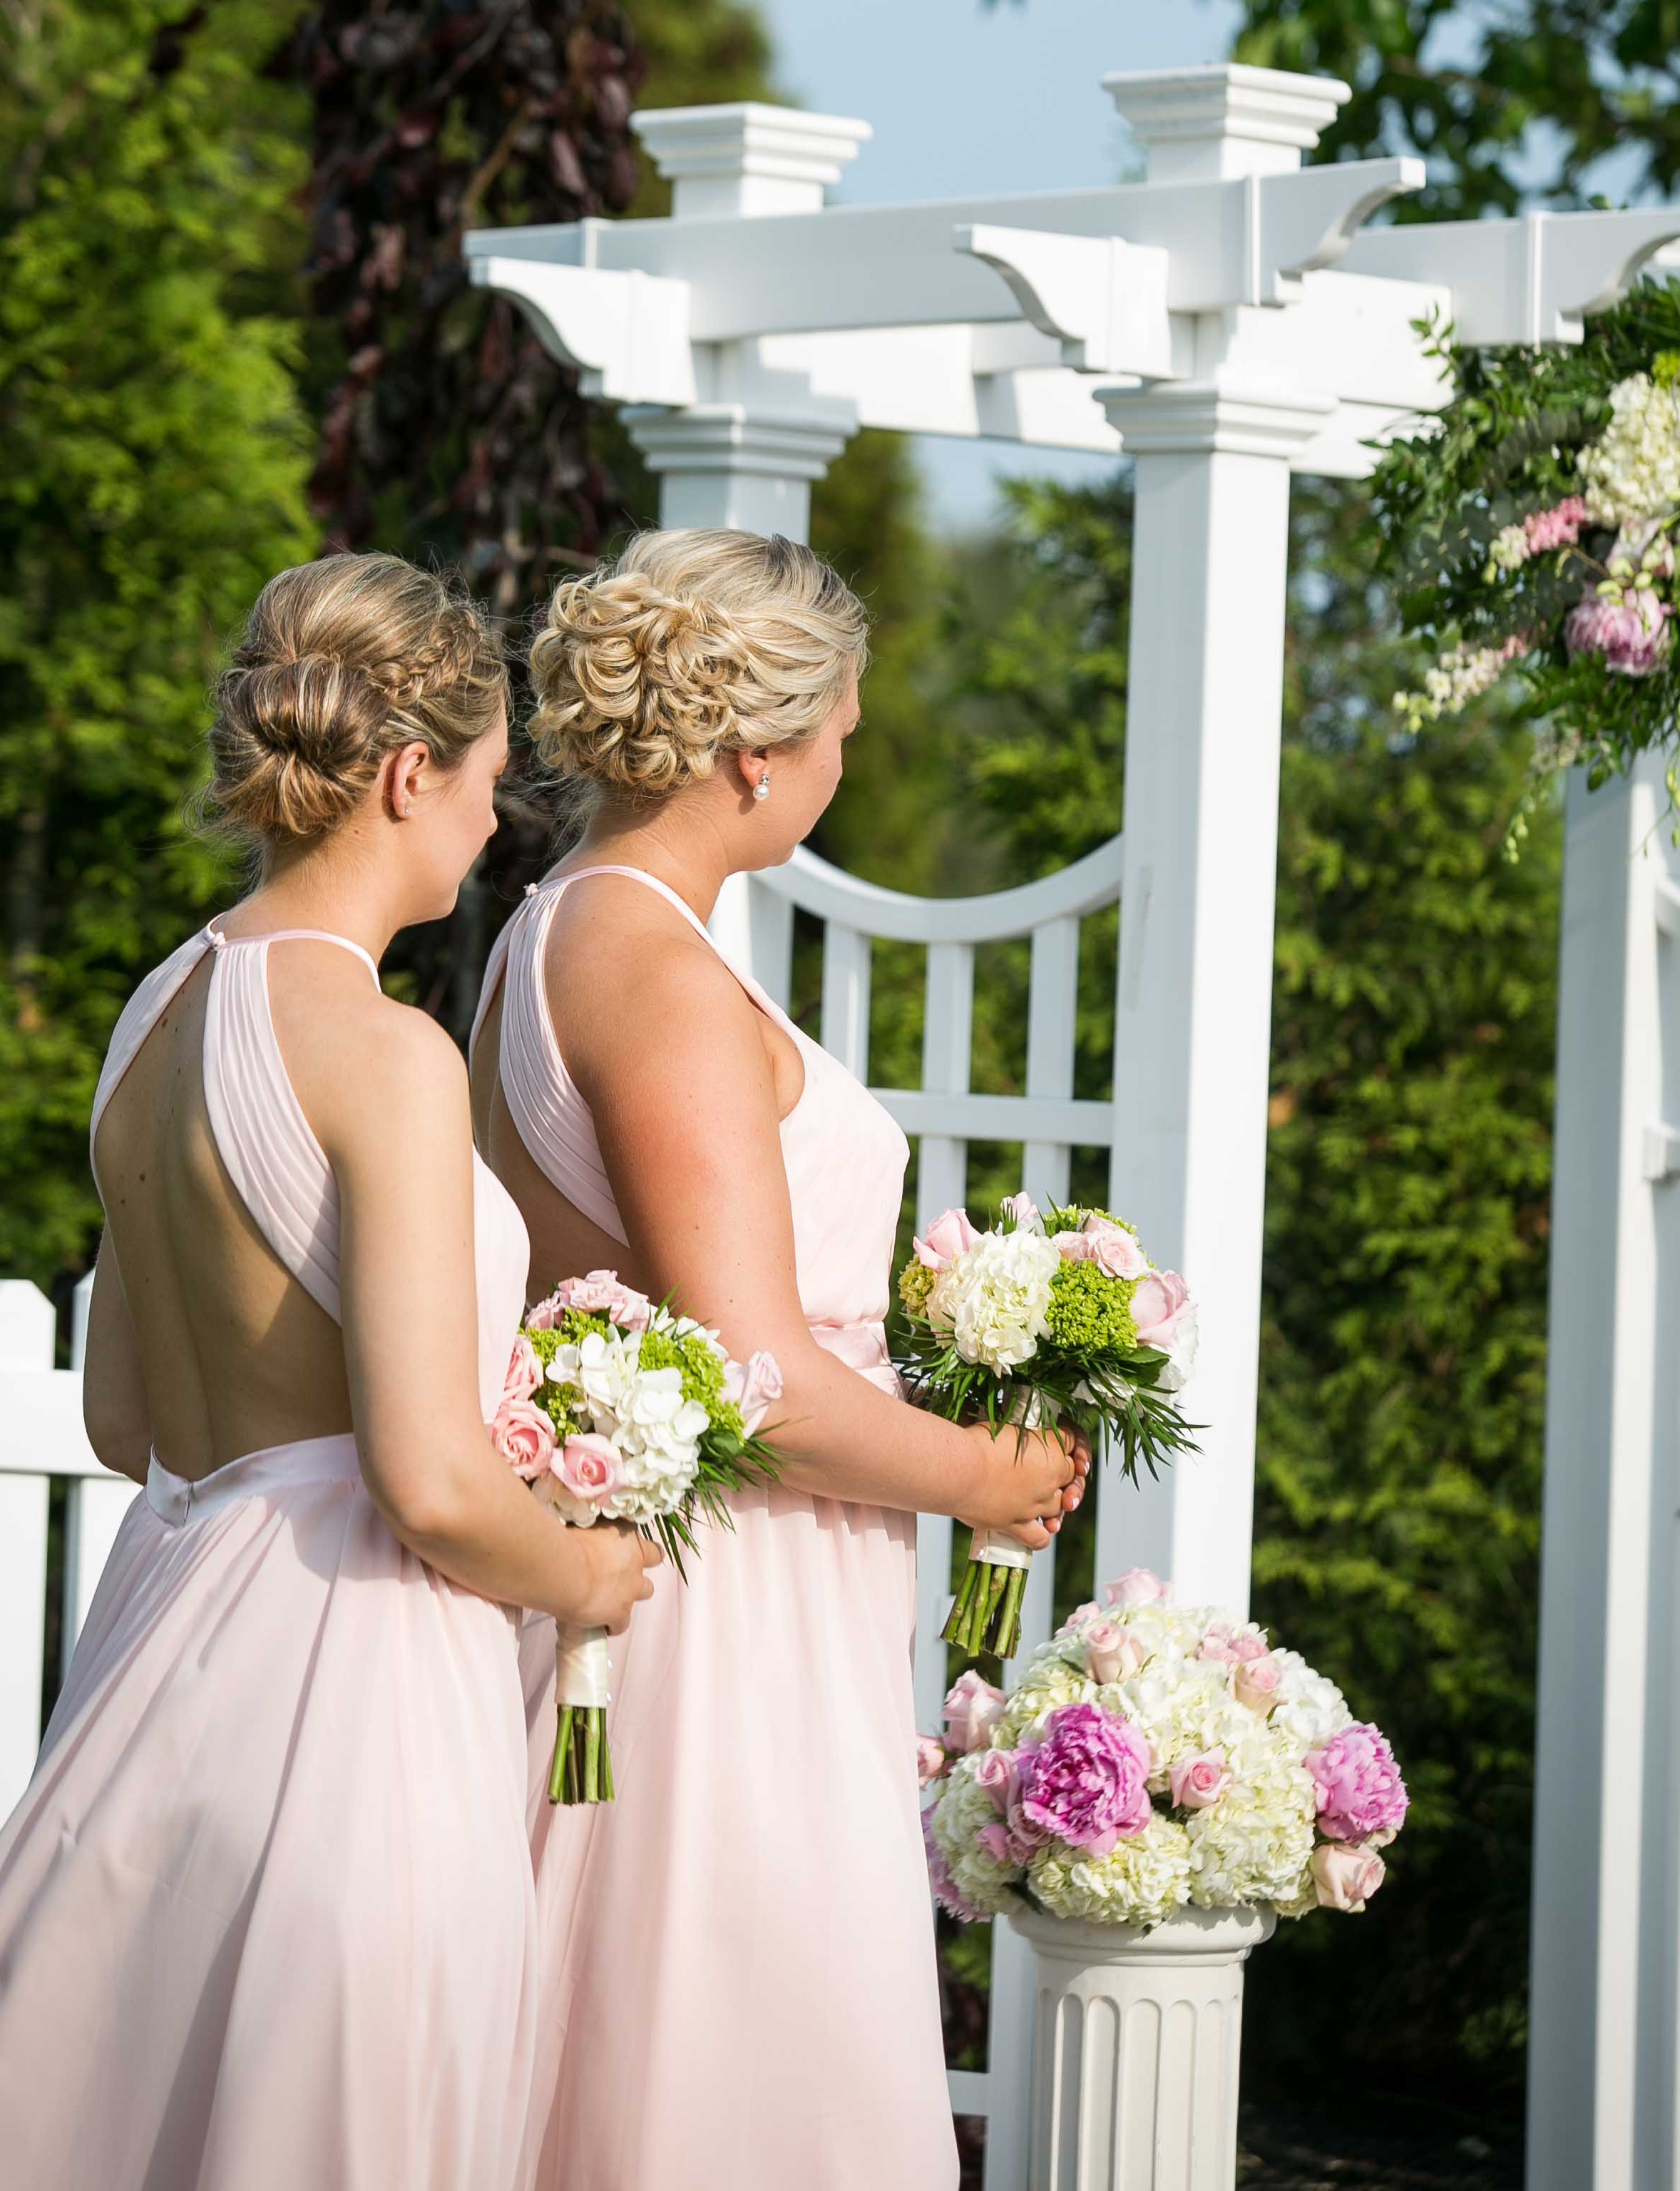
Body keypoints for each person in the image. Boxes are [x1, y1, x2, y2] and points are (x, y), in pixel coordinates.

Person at [0, 553, 654, 2191]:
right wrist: (589, 1571)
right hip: (359, 1700)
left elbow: (121, 1417)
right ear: (410, 773)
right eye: (490, 781)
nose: (494, 823)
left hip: (170, 1654)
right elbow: (428, 1481)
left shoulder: (154, 1014)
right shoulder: (385, 1054)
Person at [469, 528, 1085, 2191]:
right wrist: (991, 1477)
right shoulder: (655, 973)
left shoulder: (544, 935)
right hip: (725, 1621)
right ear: (755, 753)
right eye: (839, 737)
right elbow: (755, 1371)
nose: (844, 766)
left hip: (659, 1576)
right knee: (736, 2073)